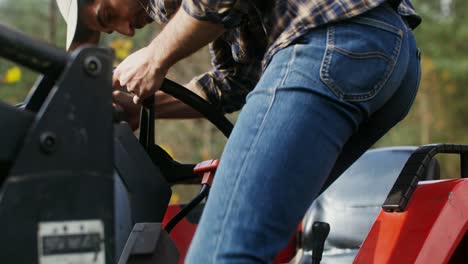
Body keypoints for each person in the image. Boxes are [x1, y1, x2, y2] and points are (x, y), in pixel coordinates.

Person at [57, 0, 422, 262]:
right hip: (391, 57)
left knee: (222, 253)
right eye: (109, 31)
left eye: (108, 15)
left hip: (335, 41)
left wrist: (155, 57)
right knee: (256, 243)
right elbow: (237, 80)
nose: (124, 30)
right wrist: (141, 108)